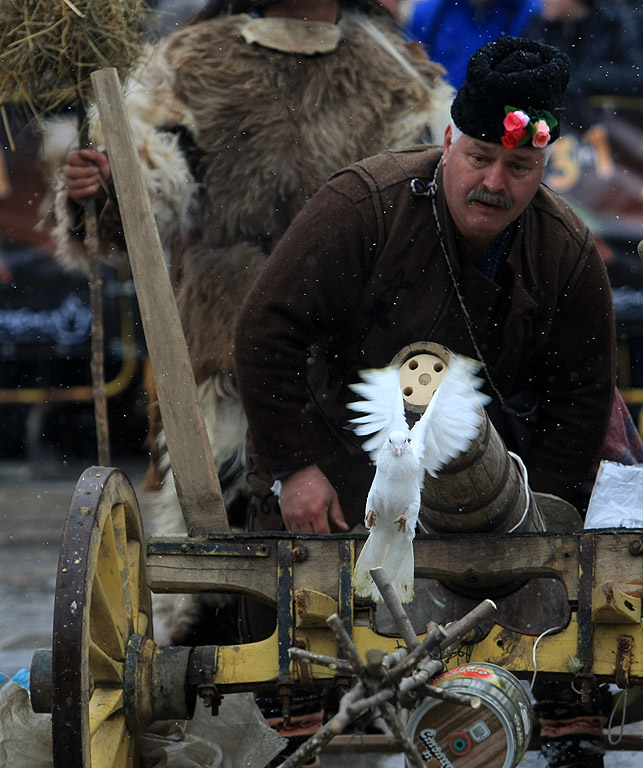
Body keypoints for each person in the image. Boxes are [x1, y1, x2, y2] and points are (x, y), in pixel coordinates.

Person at [52, 0, 451, 648]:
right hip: (226, 341)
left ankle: (376, 621)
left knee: (375, 502)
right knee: (219, 514)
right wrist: (106, 184)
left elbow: (433, 184)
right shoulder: (189, 59)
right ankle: (216, 625)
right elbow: (151, 186)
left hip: (357, 334)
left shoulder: (392, 64)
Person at [234, 36, 618, 535]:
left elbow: (582, 396)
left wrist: (535, 517)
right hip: (335, 469)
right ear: (447, 144)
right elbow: (265, 331)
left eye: (519, 167)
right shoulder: (364, 206)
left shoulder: (565, 250)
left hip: (484, 494)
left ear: (543, 168)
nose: (495, 183)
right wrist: (295, 469)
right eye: (479, 158)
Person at [522, 0, 643, 132]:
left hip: (604, 117)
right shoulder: (541, 24)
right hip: (556, 120)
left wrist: (582, 79)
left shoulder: (613, 22)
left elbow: (640, 77)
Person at [407, 0, 541, 89]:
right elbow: (409, 79)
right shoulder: (428, 14)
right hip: (437, 119)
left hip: (500, 122)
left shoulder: (532, 16)